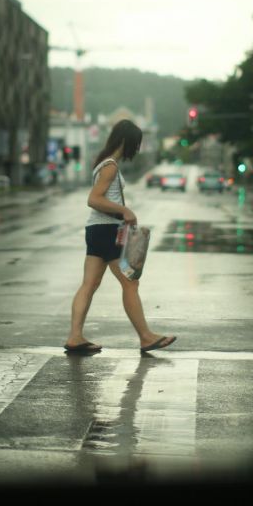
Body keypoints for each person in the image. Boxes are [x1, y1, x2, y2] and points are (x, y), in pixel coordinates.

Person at [64, 119, 177, 355]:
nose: (134, 150)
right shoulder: (111, 166)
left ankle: (75, 336)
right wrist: (124, 211)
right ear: (125, 141)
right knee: (130, 283)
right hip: (108, 230)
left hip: (96, 230)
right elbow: (94, 199)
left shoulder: (103, 162)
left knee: (89, 284)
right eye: (134, 145)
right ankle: (146, 337)